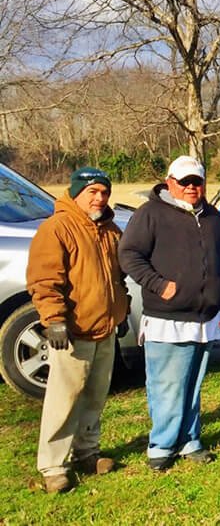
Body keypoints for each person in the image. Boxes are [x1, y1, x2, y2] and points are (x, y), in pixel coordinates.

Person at [118, 155, 220, 471]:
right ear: (170, 183)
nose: (191, 187)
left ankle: (189, 440)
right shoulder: (150, 214)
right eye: (185, 182)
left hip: (205, 318)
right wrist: (158, 284)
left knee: (193, 385)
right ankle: (161, 446)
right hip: (168, 318)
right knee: (167, 385)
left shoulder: (213, 217)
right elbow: (129, 254)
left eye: (197, 181)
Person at [26, 168, 130, 494]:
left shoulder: (111, 230)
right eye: (92, 192)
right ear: (76, 193)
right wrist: (54, 319)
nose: (99, 198)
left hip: (105, 328)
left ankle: (88, 452)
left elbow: (118, 279)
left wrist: (121, 310)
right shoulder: (57, 228)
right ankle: (54, 466)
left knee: (95, 396)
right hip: (74, 331)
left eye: (104, 192)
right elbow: (45, 280)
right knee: (64, 399)